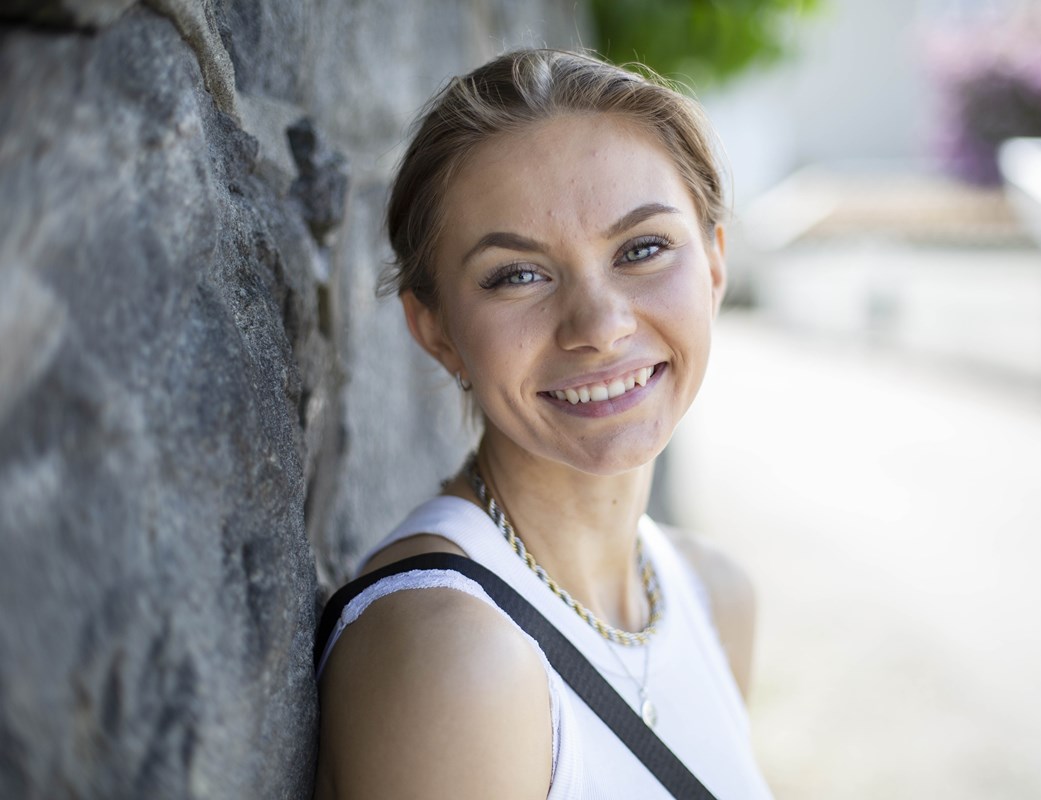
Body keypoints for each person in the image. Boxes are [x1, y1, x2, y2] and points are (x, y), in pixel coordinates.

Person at [313, 48, 773, 799]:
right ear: (434, 330)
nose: (599, 325)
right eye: (517, 275)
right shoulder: (453, 654)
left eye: (643, 249)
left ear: (715, 267)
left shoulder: (714, 595)